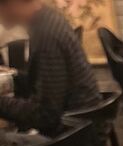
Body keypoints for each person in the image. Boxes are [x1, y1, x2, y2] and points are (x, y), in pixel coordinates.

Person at [0, 0, 99, 135]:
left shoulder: (46, 35)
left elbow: (46, 116)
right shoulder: (47, 19)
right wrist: (13, 76)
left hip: (73, 136)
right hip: (81, 125)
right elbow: (46, 82)